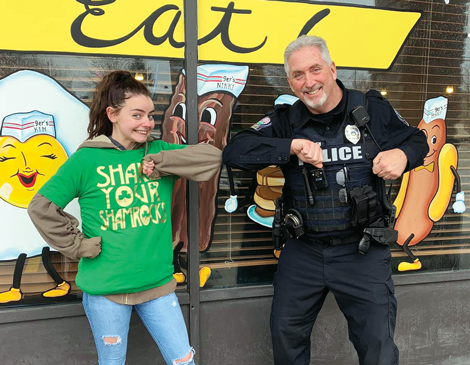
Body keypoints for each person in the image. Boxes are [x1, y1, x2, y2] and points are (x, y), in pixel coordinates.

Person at [223, 35, 428, 365]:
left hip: (361, 251)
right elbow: (235, 152)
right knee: (286, 338)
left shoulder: (372, 110)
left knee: (377, 346)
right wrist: (289, 147)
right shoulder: (284, 121)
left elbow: (418, 140)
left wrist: (402, 156)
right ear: (290, 81)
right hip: (303, 251)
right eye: (298, 75)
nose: (309, 82)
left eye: (315, 69)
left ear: (332, 69)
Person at [27, 70, 222, 365]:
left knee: (184, 362)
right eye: (137, 115)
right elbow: (41, 207)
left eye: (150, 115)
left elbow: (212, 158)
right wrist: (77, 245)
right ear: (113, 114)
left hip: (158, 287)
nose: (147, 123)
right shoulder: (87, 160)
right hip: (106, 291)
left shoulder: (158, 152)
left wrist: (160, 162)